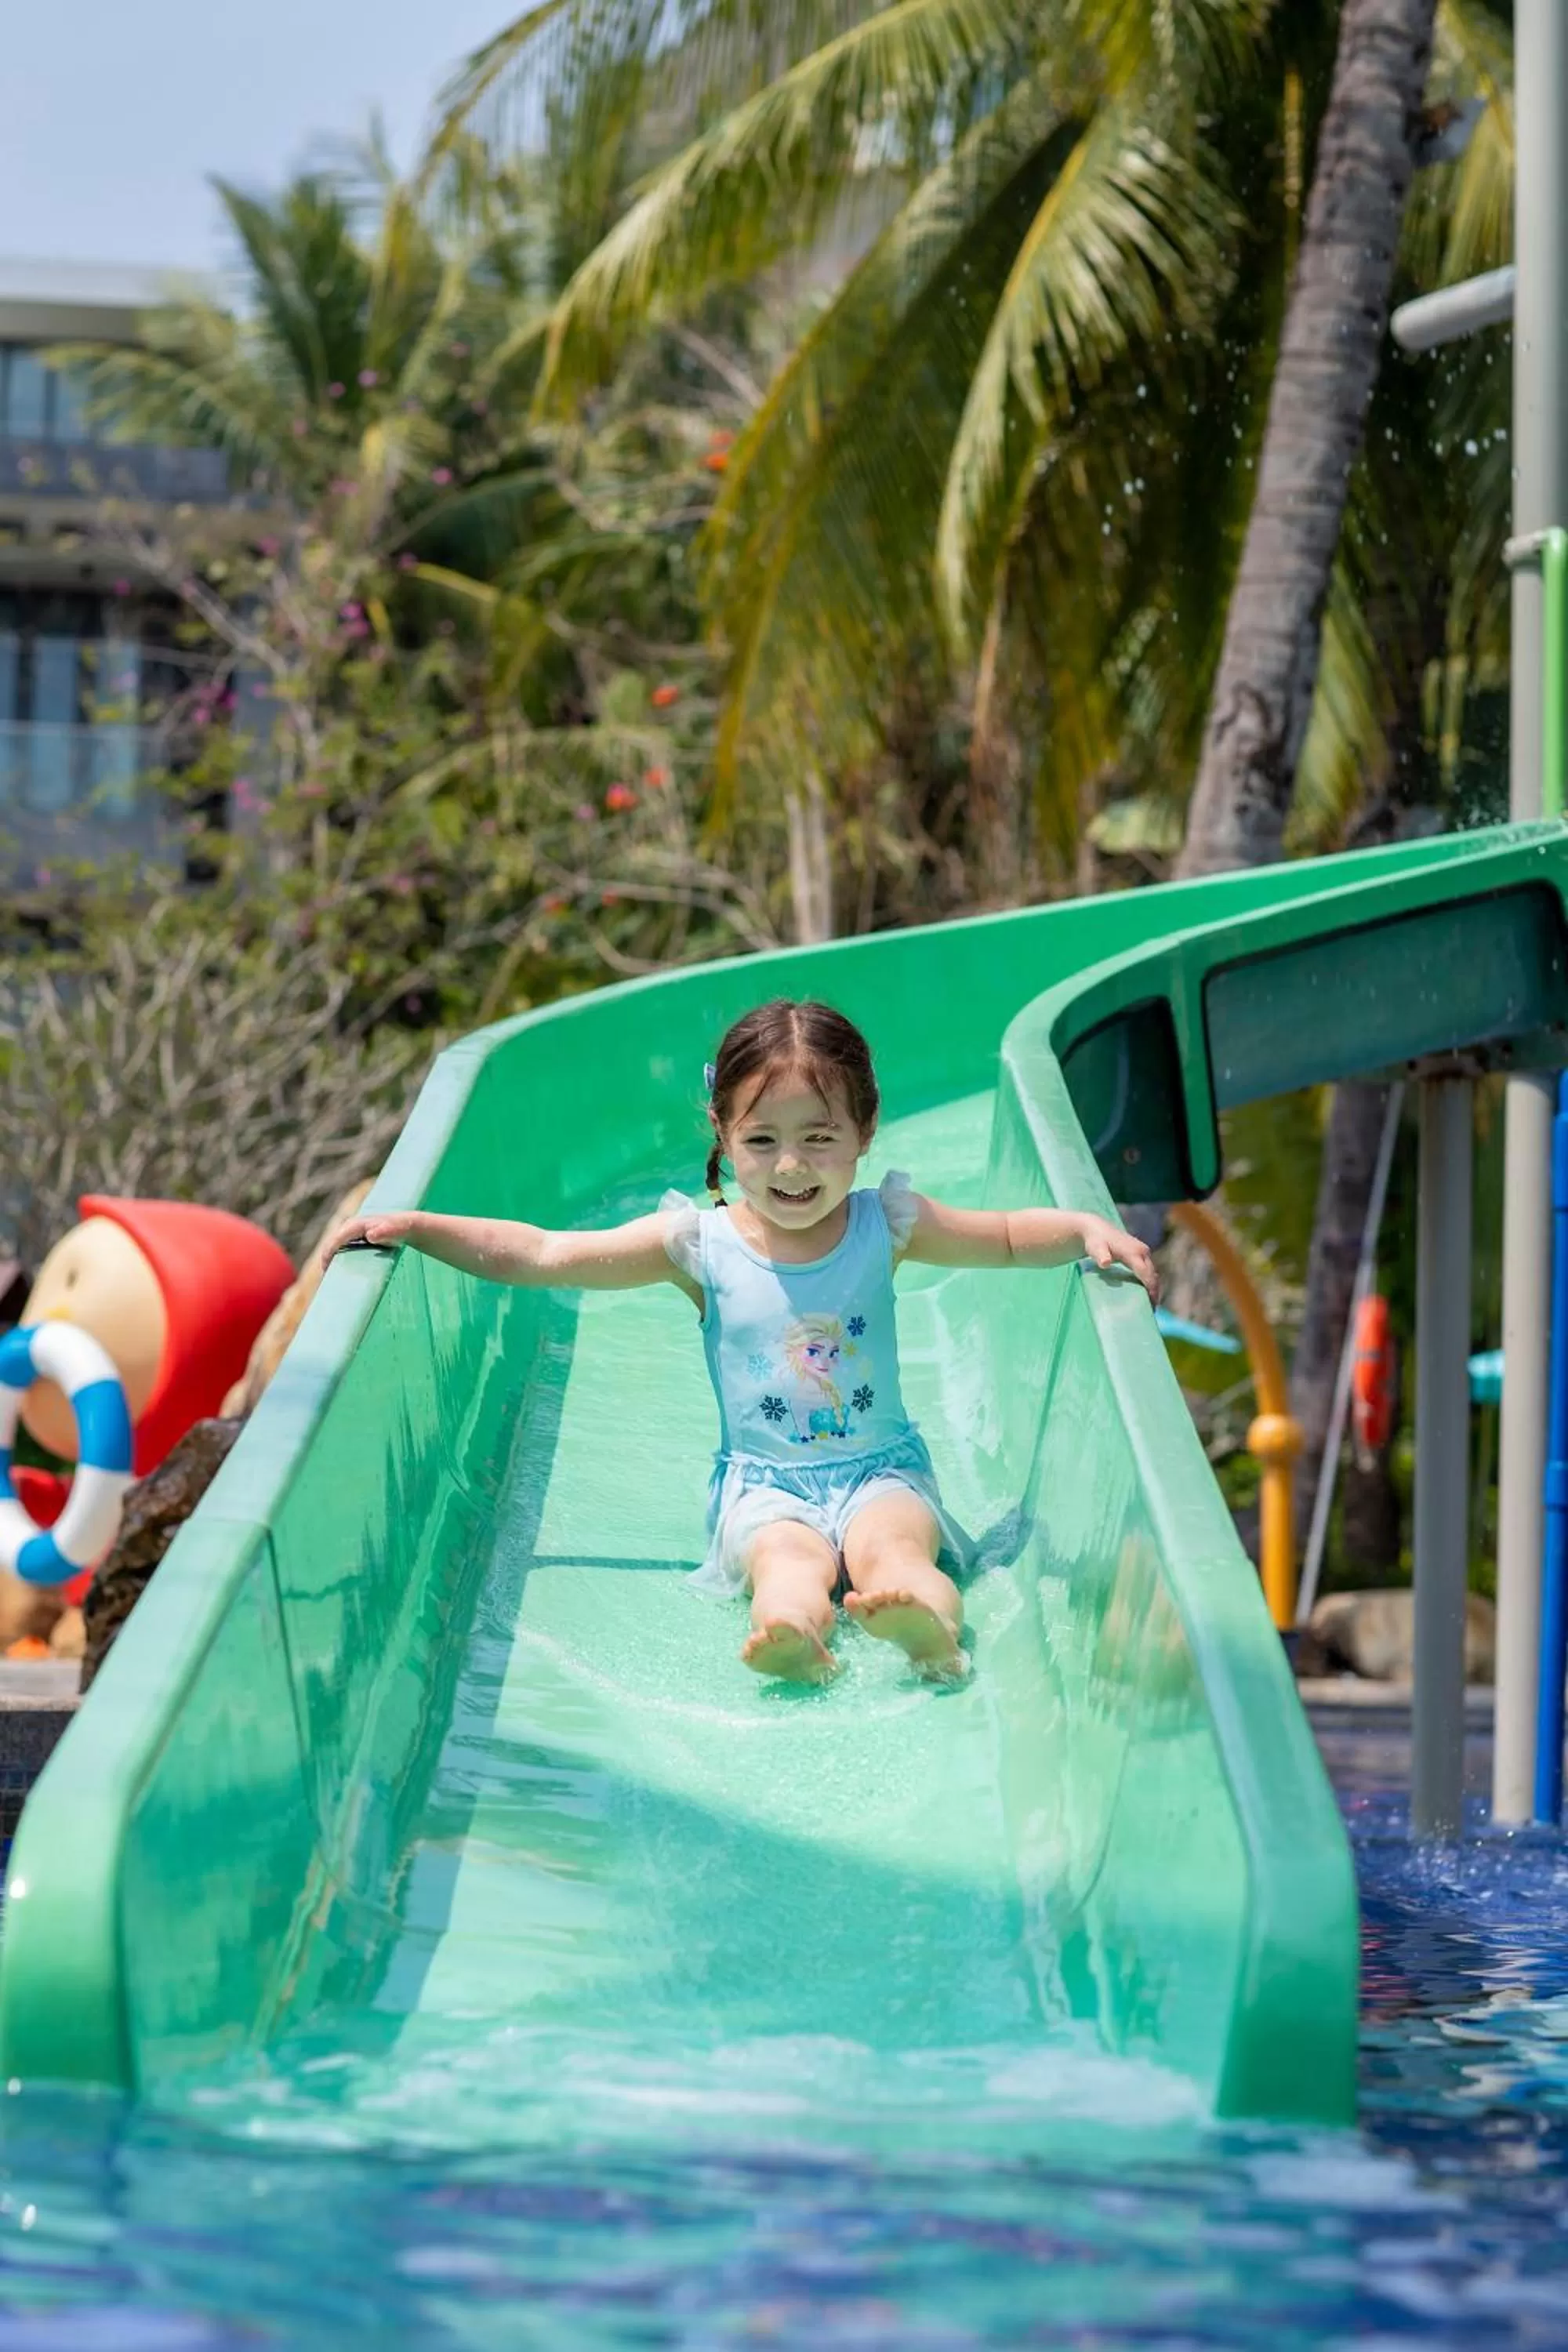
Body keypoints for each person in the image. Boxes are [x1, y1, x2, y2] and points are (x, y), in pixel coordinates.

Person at [324, 1000, 1159, 1687]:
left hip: (881, 1467)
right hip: (765, 1487)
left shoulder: (885, 1224)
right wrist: (418, 1228)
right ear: (721, 1135)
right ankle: (793, 1630)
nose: (791, 1164)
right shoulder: (697, 1245)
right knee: (785, 1561)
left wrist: (1085, 1229)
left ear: (864, 1132)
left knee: (896, 1544)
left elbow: (1008, 1236)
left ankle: (926, 1623)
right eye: (762, 1140)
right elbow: (544, 1253)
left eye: (818, 1137)